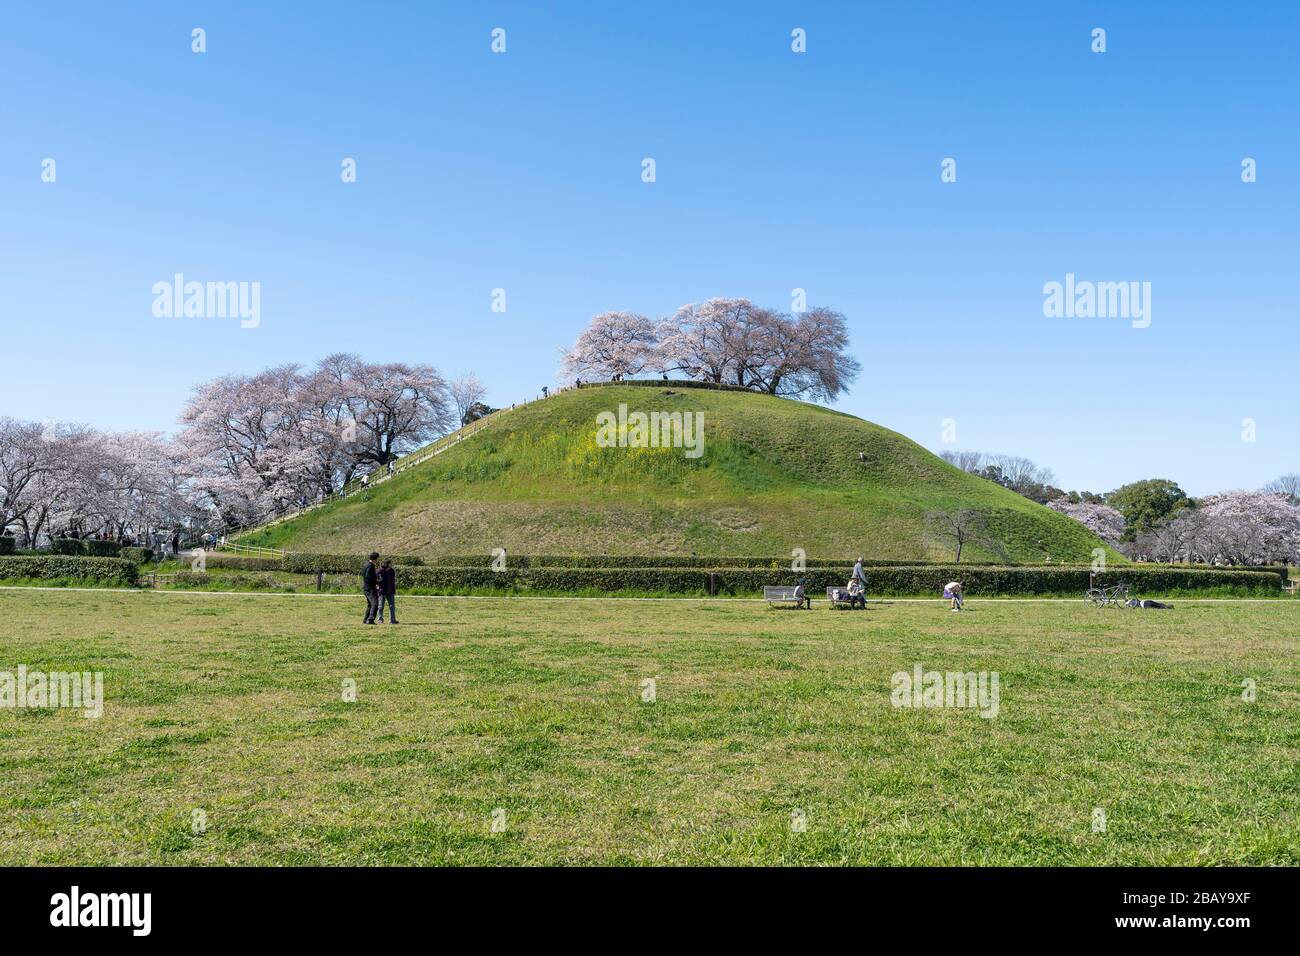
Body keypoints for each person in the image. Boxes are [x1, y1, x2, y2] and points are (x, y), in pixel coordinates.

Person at [362, 552, 380, 624]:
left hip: (366, 587)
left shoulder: (366, 564)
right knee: (375, 603)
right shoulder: (371, 566)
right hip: (370, 587)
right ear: (375, 559)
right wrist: (377, 580)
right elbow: (368, 576)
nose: (378, 560)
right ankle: (370, 619)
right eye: (378, 558)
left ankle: (365, 619)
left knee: (370, 604)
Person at [379, 559, 398, 624]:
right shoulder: (380, 571)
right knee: (381, 606)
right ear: (387, 564)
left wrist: (394, 589)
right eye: (390, 563)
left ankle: (392, 620)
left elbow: (393, 581)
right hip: (382, 591)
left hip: (390, 591)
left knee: (392, 606)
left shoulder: (392, 571)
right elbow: (377, 580)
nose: (391, 564)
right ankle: (380, 619)